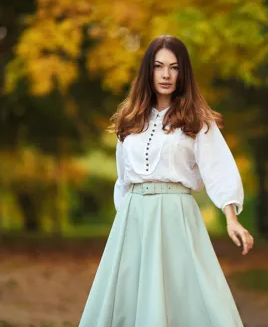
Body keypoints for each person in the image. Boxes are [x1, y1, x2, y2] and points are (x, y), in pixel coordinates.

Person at [79, 35, 254, 327]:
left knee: (184, 299)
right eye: (159, 66)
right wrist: (126, 223)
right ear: (148, 71)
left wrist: (231, 217)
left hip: (176, 217)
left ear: (182, 73)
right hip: (133, 219)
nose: (165, 75)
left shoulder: (197, 121)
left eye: (174, 68)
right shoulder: (130, 120)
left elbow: (218, 168)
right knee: (127, 301)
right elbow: (123, 180)